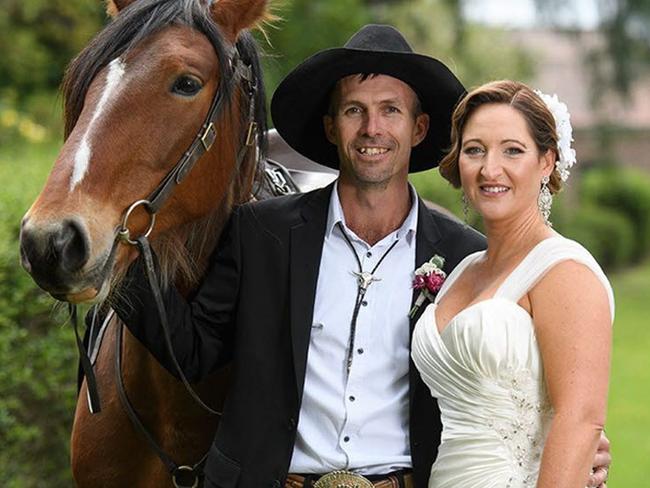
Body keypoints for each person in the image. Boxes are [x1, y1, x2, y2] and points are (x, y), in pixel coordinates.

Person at [115, 26, 611, 488]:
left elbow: (521, 384)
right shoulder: (259, 231)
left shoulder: (464, 257)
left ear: (419, 129)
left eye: (391, 110)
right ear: (331, 128)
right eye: (355, 110)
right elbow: (193, 352)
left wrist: (574, 440)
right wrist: (111, 259)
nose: (373, 128)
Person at [411, 80, 614, 487]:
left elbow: (580, 420)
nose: (490, 169)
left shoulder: (565, 271)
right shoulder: (462, 270)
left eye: (512, 150)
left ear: (546, 161)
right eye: (474, 150)